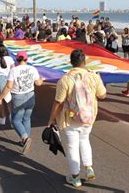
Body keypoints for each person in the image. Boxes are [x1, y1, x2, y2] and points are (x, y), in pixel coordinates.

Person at [46, 49, 107, 188]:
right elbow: (103, 95)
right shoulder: (93, 76)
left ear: (71, 62)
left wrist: (51, 119)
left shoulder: (65, 79)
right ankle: (89, 167)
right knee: (85, 140)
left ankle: (75, 177)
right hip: (88, 117)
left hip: (70, 119)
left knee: (72, 147)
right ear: (84, 61)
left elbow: (58, 102)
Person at [0, 51, 44, 154]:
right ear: (26, 59)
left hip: (18, 97)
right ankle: (25, 139)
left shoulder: (14, 70)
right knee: (26, 118)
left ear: (17, 60)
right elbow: (38, 83)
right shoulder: (32, 69)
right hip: (30, 96)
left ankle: (25, 138)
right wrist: (42, 79)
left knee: (16, 120)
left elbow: (9, 86)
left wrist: (0, 97)